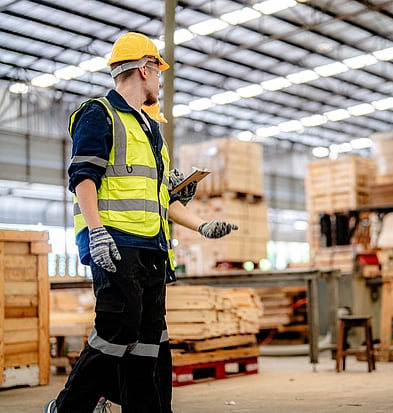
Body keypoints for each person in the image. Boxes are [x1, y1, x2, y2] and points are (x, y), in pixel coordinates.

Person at [44, 32, 238, 413]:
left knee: (150, 337)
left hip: (151, 247)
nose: (160, 81)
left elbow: (158, 200)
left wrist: (200, 224)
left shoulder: (151, 130)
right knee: (118, 328)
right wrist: (97, 232)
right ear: (145, 69)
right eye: (158, 72)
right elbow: (83, 177)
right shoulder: (99, 113)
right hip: (114, 243)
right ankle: (70, 408)